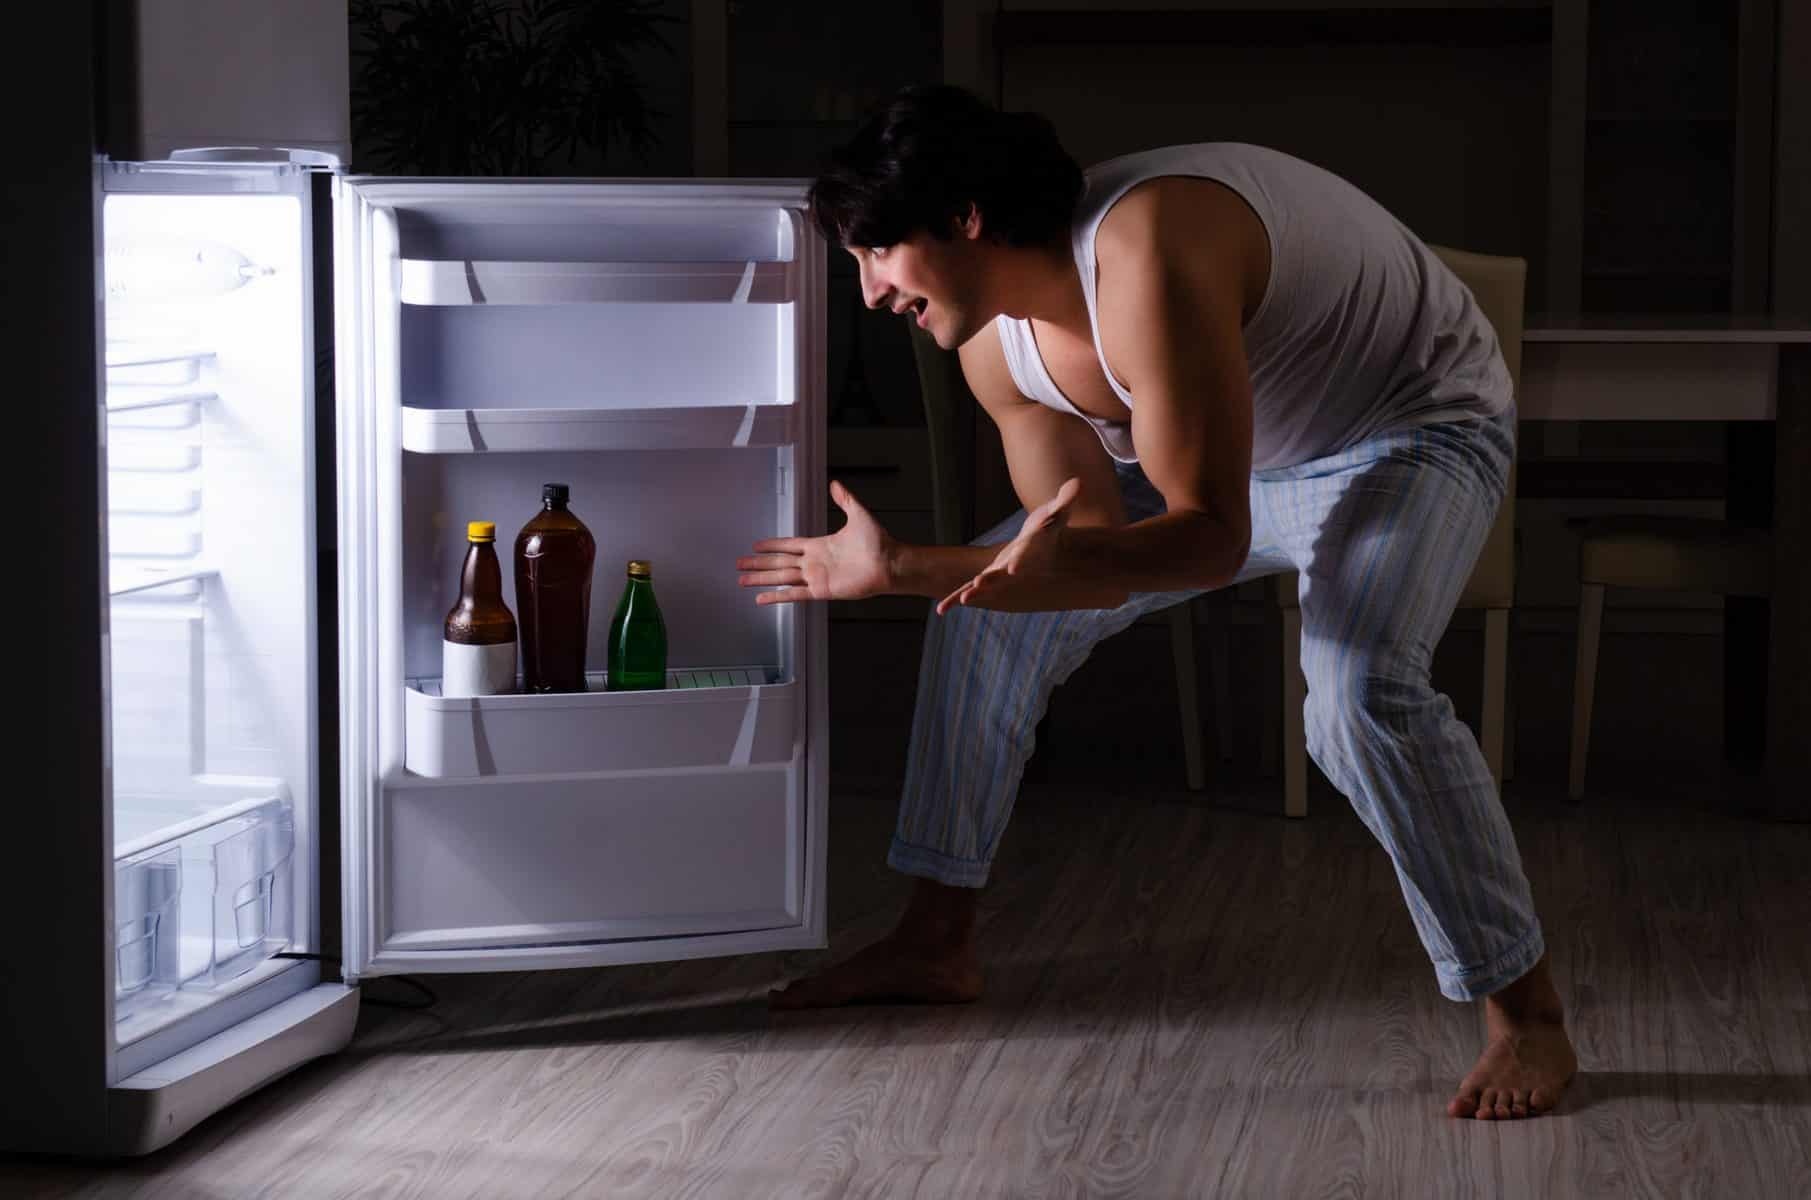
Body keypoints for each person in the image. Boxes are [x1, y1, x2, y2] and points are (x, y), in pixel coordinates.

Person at [735, 84, 1576, 1121]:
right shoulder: (992, 345)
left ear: (964, 219)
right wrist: (927, 574)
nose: (867, 294)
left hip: (1405, 430)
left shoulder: (1150, 247)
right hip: (1237, 464)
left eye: (875, 253)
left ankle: (1524, 1010)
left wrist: (918, 565)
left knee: (1355, 697)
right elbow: (1083, 554)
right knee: (985, 635)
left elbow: (1202, 540)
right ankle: (932, 944)